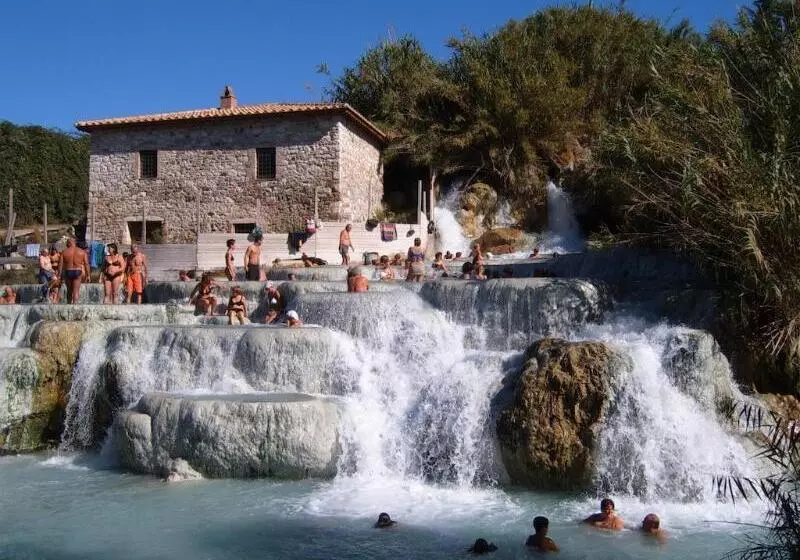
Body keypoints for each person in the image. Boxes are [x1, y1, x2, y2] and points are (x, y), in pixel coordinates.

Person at [61, 238, 90, 304]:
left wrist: (59, 275)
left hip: (68, 271)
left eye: (66, 243)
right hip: (78, 271)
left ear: (69, 243)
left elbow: (61, 265)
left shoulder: (64, 251)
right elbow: (86, 264)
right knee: (76, 291)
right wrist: (88, 275)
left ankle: (68, 306)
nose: (66, 244)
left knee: (69, 290)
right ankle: (75, 306)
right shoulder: (82, 251)